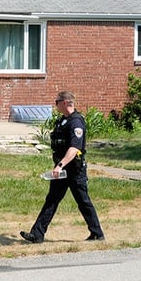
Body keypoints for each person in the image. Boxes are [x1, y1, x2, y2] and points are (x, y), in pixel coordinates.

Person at [20, 91, 104, 243]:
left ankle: (97, 233)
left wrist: (60, 165)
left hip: (74, 170)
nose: (55, 104)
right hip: (62, 170)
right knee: (51, 200)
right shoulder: (62, 121)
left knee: (83, 201)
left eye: (57, 101)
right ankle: (37, 235)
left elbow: (74, 149)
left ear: (65, 103)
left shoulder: (76, 122)